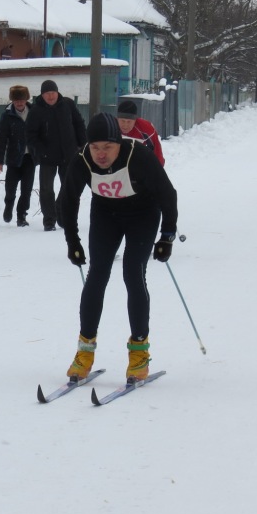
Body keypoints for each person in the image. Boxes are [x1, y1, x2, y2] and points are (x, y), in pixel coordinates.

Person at [59, 113, 178, 384]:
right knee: (96, 275)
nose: (100, 154)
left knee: (132, 274)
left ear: (119, 143)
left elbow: (167, 194)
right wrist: (73, 241)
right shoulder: (82, 160)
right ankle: (84, 353)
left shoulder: (138, 156)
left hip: (143, 214)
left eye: (107, 147)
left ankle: (139, 354)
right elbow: (67, 200)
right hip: (106, 214)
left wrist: (167, 236)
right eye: (95, 147)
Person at [26, 79, 87, 231]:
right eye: (47, 94)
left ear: (57, 92)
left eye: (52, 93)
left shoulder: (68, 105)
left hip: (69, 154)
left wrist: (83, 144)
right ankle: (49, 220)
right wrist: (40, 151)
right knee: (46, 189)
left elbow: (79, 124)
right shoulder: (36, 110)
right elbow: (30, 135)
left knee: (68, 187)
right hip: (48, 158)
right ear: (42, 95)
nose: (51, 96)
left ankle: (61, 212)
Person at [0, 85, 34, 227]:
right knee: (10, 188)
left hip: (30, 158)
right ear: (12, 101)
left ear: (26, 99)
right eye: (16, 100)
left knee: (26, 190)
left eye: (22, 100)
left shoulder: (33, 113)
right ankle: (9, 205)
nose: (19, 103)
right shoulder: (7, 115)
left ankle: (21, 216)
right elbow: (1, 139)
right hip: (13, 158)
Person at [116, 99, 165, 166]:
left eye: (129, 122)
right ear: (117, 118)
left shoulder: (146, 129)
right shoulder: (111, 128)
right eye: (122, 121)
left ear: (135, 120)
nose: (125, 125)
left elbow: (157, 154)